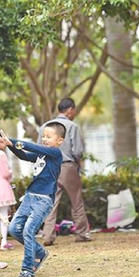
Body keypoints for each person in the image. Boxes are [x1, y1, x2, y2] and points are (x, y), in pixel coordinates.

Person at [0, 124, 65, 277]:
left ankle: (27, 270)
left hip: (44, 199)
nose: (45, 139)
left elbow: (33, 147)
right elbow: (24, 156)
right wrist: (10, 146)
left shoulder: (55, 153)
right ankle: (39, 252)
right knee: (14, 229)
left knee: (28, 231)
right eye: (44, 136)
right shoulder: (42, 155)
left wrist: (12, 141)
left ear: (60, 140)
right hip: (29, 197)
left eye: (49, 136)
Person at [39, 98, 91, 245]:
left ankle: (48, 236)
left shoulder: (44, 127)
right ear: (69, 110)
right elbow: (77, 151)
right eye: (73, 110)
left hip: (49, 167)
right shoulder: (72, 126)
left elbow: (38, 149)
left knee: (51, 202)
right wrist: (77, 162)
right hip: (67, 166)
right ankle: (82, 233)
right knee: (76, 201)